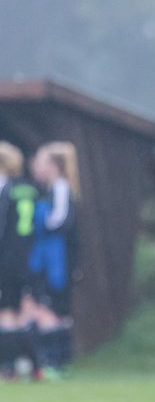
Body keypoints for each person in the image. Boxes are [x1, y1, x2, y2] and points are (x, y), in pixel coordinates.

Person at [26, 141, 79, 378]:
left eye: (42, 162)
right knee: (51, 309)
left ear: (54, 165)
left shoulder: (60, 188)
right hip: (49, 259)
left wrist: (34, 227)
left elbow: (58, 222)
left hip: (54, 261)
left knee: (53, 309)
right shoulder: (48, 189)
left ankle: (54, 362)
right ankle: (51, 361)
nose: (37, 167)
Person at [0, 142, 37, 380]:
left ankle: (9, 367)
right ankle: (35, 365)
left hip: (7, 258)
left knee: (7, 313)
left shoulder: (5, 190)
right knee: (21, 312)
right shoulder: (30, 189)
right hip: (27, 256)